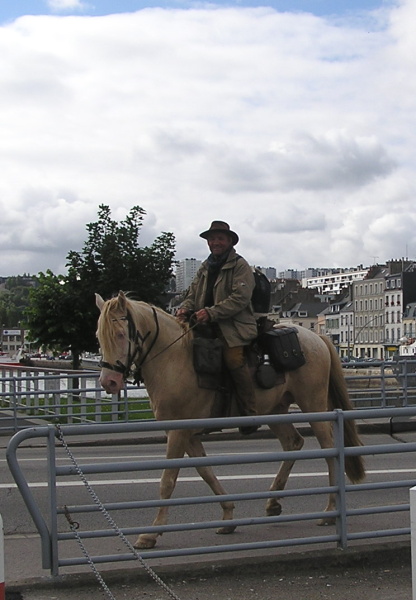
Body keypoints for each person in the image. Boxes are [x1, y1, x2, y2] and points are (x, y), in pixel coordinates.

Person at [176, 220, 259, 435]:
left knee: (233, 359)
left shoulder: (240, 266)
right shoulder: (205, 267)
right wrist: (185, 309)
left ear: (229, 241)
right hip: (205, 325)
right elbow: (191, 295)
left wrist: (211, 312)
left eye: (219, 238)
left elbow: (240, 299)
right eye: (211, 239)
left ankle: (251, 412)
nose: (215, 242)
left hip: (233, 327)